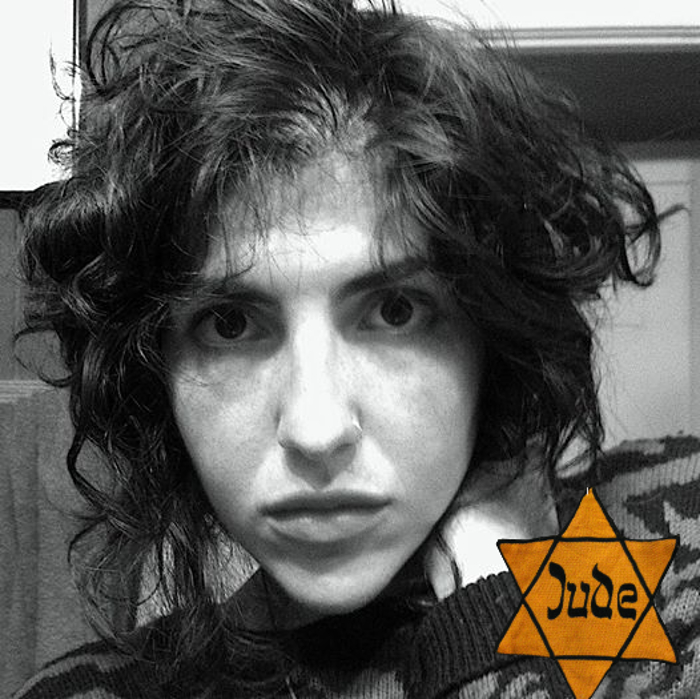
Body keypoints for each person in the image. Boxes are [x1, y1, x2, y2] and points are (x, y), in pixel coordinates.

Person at [12, 0, 700, 697]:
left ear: (493, 334)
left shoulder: (683, 546)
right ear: (155, 373)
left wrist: (513, 584)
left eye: (395, 311)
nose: (316, 431)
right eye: (230, 324)